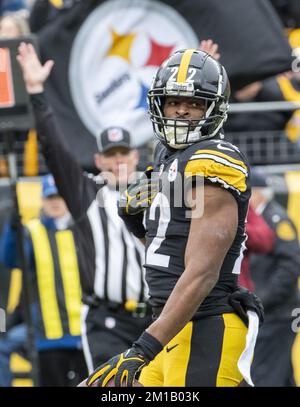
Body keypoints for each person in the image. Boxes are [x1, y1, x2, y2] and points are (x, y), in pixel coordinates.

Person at [83, 49, 264, 387]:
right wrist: (137, 223)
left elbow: (202, 271)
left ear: (213, 108)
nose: (181, 110)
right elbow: (169, 252)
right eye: (173, 101)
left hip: (205, 326)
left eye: (194, 103)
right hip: (173, 325)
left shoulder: (212, 160)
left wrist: (143, 346)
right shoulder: (168, 157)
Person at [16, 42, 152, 374]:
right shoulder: (87, 194)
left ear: (135, 156)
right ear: (98, 160)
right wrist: (36, 91)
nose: (119, 161)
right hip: (109, 322)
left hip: (156, 319)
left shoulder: (158, 192)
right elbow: (54, 149)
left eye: (124, 153)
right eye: (112, 155)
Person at [0, 174, 87, 386]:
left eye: (59, 197)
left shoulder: (84, 230)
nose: (55, 202)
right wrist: (13, 228)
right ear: (42, 200)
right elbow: (10, 259)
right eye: (50, 198)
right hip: (47, 334)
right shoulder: (32, 231)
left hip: (84, 332)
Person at [249, 171, 300, 386]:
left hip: (278, 314)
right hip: (272, 312)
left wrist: (263, 299)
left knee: (266, 375)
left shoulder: (276, 220)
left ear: (259, 193)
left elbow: (290, 265)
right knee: (281, 374)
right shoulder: (262, 219)